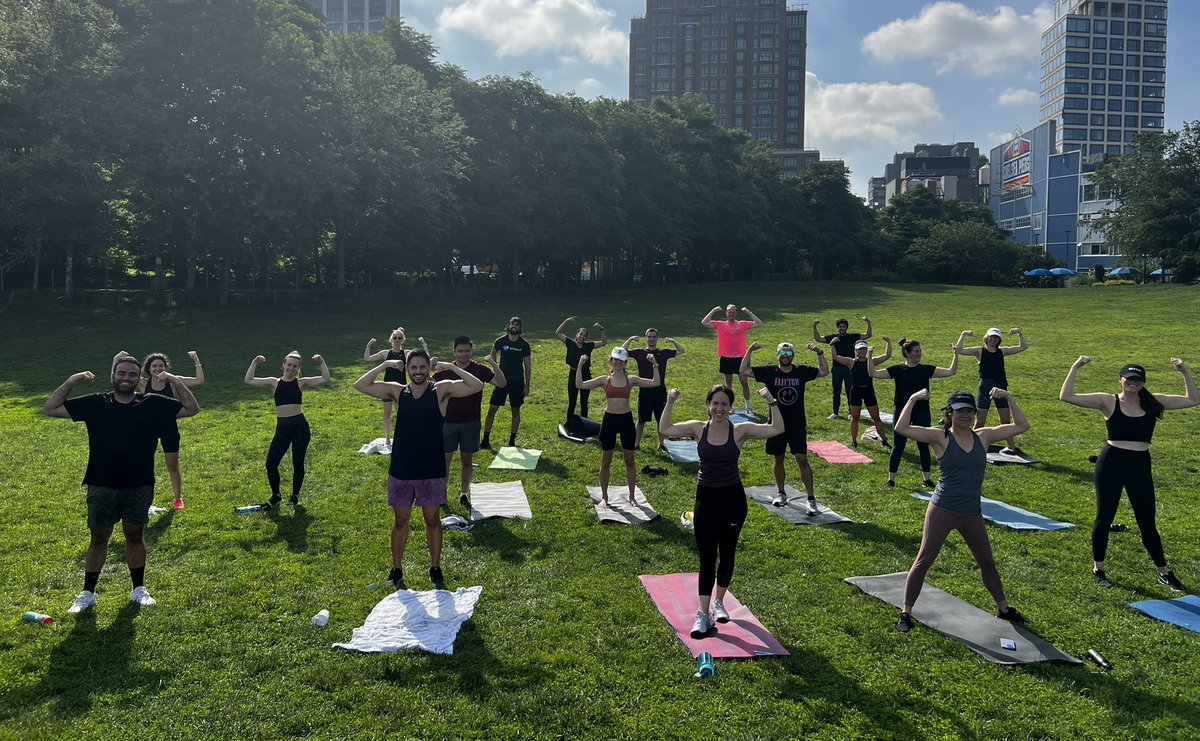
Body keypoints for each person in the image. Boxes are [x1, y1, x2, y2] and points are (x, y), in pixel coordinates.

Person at [44, 354, 200, 614]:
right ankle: (87, 593)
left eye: (131, 374)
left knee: (134, 535)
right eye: (121, 373)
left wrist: (174, 379)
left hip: (139, 484)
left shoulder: (152, 404)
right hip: (101, 483)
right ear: (113, 376)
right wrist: (72, 380)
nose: (126, 378)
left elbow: (192, 409)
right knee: (99, 537)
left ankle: (138, 589)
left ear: (139, 378)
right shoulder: (97, 403)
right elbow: (51, 408)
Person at [892, 389, 1029, 633]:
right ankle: (906, 612)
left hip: (971, 512)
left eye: (969, 411)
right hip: (943, 509)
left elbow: (1022, 425)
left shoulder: (984, 436)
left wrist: (1007, 398)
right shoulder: (940, 437)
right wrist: (912, 399)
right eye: (960, 411)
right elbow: (902, 428)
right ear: (950, 412)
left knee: (987, 561)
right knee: (924, 560)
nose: (965, 415)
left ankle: (1004, 609)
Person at [1060, 356, 1199, 591]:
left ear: (1143, 383)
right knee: (1105, 517)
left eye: (1137, 380)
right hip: (1111, 462)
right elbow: (1066, 396)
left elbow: (1194, 400)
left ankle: (1164, 573)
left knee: (1147, 521)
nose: (1132, 383)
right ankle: (1099, 568)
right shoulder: (1108, 401)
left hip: (1140, 464)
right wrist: (1075, 367)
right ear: (1120, 380)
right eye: (1128, 379)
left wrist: (1184, 371)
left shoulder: (1153, 402)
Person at [659, 385, 784, 639]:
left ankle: (719, 602)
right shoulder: (697, 428)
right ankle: (703, 615)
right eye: (715, 403)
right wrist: (670, 401)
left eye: (724, 404)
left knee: (727, 552)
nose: (719, 409)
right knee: (707, 556)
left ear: (731, 408)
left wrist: (771, 400)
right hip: (706, 498)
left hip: (733, 500)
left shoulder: (739, 431)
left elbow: (777, 428)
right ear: (708, 405)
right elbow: (665, 429)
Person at [355, 349, 484, 589]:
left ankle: (435, 568)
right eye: (413, 367)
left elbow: (476, 386)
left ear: (428, 369)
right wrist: (385, 366)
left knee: (432, 519)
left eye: (422, 367)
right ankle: (396, 569)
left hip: (431, 468)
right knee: (401, 520)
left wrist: (451, 366)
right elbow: (360, 385)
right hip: (402, 469)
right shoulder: (397, 392)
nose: (418, 372)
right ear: (407, 369)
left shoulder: (441, 390)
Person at [741, 341, 828, 511]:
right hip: (776, 424)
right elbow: (744, 370)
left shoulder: (801, 371)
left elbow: (824, 371)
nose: (786, 357)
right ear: (777, 355)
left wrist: (819, 352)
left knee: (802, 458)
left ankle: (811, 498)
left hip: (797, 424)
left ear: (793, 356)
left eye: (789, 354)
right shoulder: (769, 372)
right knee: (778, 458)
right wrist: (750, 350)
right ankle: (781, 493)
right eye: (783, 354)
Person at [868, 337, 961, 488]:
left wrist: (956, 354)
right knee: (898, 446)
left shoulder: (925, 370)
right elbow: (873, 373)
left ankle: (927, 479)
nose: (919, 354)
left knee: (923, 445)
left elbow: (951, 371)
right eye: (916, 351)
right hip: (901, 412)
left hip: (922, 412)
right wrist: (870, 356)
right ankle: (891, 479)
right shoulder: (897, 370)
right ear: (907, 353)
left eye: (920, 351)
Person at [245, 351, 330, 509]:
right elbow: (249, 380)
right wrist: (254, 362)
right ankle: (276, 495)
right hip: (282, 428)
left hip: (300, 427)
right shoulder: (274, 383)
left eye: (294, 366)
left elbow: (325, 379)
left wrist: (321, 362)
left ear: (298, 368)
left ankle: (295, 496)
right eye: (289, 365)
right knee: (271, 463)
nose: (291, 368)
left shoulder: (300, 383)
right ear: (283, 365)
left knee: (297, 463)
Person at [576, 347, 659, 506]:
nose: (618, 362)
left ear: (625, 362)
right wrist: (580, 365)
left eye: (621, 360)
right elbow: (579, 384)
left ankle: (632, 496)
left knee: (630, 460)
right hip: (609, 421)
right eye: (615, 359)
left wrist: (655, 365)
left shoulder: (631, 380)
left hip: (626, 421)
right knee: (606, 461)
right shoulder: (604, 380)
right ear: (611, 361)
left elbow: (656, 382)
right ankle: (605, 497)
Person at [433, 336, 506, 509]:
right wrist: (430, 366)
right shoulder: (444, 371)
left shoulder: (479, 369)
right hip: (447, 423)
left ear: (471, 351)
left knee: (467, 460)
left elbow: (502, 383)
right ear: (454, 352)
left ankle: (464, 494)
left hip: (470, 422)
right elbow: (426, 387)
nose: (463, 354)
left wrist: (494, 364)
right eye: (460, 351)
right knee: (445, 460)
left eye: (467, 351)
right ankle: (441, 494)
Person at [138, 350, 204, 510]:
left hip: (169, 427)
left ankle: (178, 499)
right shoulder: (143, 383)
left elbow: (199, 380)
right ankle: (146, 501)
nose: (158, 369)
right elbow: (116, 379)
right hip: (149, 429)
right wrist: (116, 359)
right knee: (146, 465)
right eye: (154, 366)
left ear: (165, 367)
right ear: (149, 368)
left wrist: (196, 359)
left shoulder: (174, 381)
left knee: (172, 466)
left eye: (161, 365)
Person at [956, 327, 1028, 454]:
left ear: (999, 340)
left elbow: (1023, 347)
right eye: (991, 337)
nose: (993, 340)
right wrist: (963, 335)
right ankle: (969, 446)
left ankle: (1012, 448)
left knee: (1006, 421)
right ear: (987, 337)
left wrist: (1019, 333)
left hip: (1000, 388)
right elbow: (959, 350)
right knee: (980, 422)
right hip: (985, 388)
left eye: (996, 338)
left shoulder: (1002, 352)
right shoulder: (980, 351)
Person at [363, 329, 428, 450]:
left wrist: (424, 344)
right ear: (391, 339)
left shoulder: (406, 353)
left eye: (399, 338)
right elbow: (367, 358)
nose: (397, 340)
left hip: (400, 388)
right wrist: (368, 345)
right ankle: (387, 439)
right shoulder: (385, 353)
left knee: (402, 414)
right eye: (395, 338)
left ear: (403, 340)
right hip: (387, 388)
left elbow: (426, 357)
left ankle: (404, 437)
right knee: (387, 414)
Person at [622, 329, 686, 450]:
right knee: (641, 420)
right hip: (645, 391)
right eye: (649, 337)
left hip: (660, 391)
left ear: (657, 338)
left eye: (654, 337)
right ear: (646, 338)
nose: (651, 339)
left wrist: (672, 341)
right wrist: (630, 339)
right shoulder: (640, 352)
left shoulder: (664, 353)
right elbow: (622, 351)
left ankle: (661, 444)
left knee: (660, 420)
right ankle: (636, 444)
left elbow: (682, 350)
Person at [701, 304, 763, 413]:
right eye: (729, 312)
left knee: (744, 382)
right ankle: (729, 406)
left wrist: (748, 312)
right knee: (728, 383)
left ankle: (748, 406)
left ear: (736, 313)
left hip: (740, 358)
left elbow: (759, 323)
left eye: (733, 312)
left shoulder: (742, 324)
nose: (731, 314)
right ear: (726, 313)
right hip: (726, 357)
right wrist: (714, 310)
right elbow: (704, 322)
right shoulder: (721, 325)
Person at [832, 338, 892, 449]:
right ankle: (854, 441)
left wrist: (888, 342)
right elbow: (835, 357)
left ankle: (884, 440)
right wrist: (832, 345)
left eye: (864, 349)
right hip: (856, 391)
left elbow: (887, 355)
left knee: (876, 417)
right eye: (860, 349)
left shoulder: (872, 361)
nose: (862, 351)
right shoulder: (851, 362)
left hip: (869, 390)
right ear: (855, 351)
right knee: (855, 418)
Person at [483, 317, 531, 449]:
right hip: (501, 381)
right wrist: (495, 370)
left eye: (517, 325)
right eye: (512, 324)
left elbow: (527, 366)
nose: (514, 326)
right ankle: (485, 440)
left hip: (517, 382)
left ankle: (511, 441)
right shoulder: (500, 341)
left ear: (520, 329)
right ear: (508, 326)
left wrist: (527, 386)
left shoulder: (524, 345)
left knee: (515, 410)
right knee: (492, 409)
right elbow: (492, 354)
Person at [813, 316, 873, 420]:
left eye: (844, 327)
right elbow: (818, 339)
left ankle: (851, 413)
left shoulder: (853, 337)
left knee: (850, 390)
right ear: (838, 327)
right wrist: (814, 326)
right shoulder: (833, 338)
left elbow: (868, 335)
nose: (842, 328)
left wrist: (868, 322)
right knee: (836, 391)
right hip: (837, 368)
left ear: (847, 328)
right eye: (840, 327)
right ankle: (835, 413)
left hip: (850, 368)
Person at [554, 316, 607, 424]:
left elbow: (604, 342)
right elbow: (558, 333)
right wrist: (566, 321)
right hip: (573, 373)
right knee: (572, 401)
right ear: (576, 335)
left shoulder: (588, 346)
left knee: (584, 401)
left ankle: (584, 423)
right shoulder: (570, 343)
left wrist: (601, 329)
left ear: (586, 338)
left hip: (585, 374)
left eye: (584, 335)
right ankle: (569, 422)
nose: (582, 337)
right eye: (580, 334)